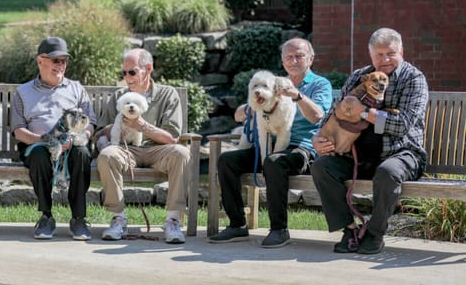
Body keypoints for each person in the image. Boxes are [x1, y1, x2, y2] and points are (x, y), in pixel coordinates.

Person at [311, 28, 429, 255]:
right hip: (359, 157)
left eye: (390, 53)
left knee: (387, 172)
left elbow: (402, 125)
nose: (384, 60)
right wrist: (318, 137)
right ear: (371, 55)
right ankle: (350, 230)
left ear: (401, 51)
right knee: (322, 167)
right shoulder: (359, 76)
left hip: (402, 153)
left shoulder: (413, 79)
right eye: (379, 55)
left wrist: (364, 112)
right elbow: (335, 111)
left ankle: (374, 234)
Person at [209, 38, 333, 247]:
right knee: (227, 160)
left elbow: (317, 116)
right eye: (288, 57)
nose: (293, 61)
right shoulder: (273, 82)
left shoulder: (320, 84)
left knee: (274, 162)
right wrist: (247, 109)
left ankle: (279, 229)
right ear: (283, 61)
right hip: (267, 145)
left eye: (299, 56)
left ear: (311, 58)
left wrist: (297, 96)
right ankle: (237, 224)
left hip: (302, 149)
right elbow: (247, 109)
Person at [94, 48, 190, 244]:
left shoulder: (167, 94)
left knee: (181, 152)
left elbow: (172, 137)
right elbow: (100, 132)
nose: (127, 77)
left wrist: (142, 126)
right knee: (106, 155)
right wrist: (115, 128)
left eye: (132, 72)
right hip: (126, 149)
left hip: (158, 150)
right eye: (124, 73)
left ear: (148, 69)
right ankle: (118, 219)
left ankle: (173, 220)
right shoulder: (119, 96)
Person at [10, 36, 97, 240]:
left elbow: (91, 122)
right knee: (40, 155)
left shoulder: (76, 88)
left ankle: (79, 219)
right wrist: (42, 140)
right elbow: (18, 130)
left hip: (71, 143)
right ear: (41, 61)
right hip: (37, 145)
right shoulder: (23, 92)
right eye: (56, 60)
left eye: (64, 61)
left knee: (82, 153)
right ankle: (46, 217)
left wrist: (79, 137)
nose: (61, 65)